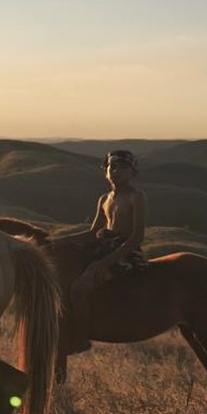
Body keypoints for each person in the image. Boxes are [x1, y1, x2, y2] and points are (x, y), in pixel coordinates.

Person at [59, 149, 148, 353]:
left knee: (79, 288)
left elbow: (137, 237)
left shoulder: (136, 196)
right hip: (102, 249)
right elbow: (93, 233)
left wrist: (105, 262)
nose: (116, 171)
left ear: (133, 173)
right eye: (112, 167)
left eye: (123, 168)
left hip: (124, 253)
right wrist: (58, 241)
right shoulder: (104, 199)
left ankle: (81, 338)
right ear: (105, 171)